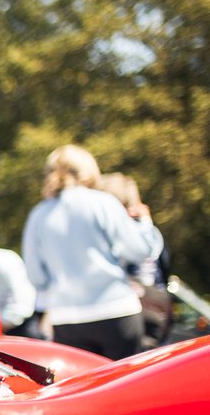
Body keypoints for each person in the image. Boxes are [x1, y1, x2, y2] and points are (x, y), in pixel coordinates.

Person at [22, 145, 163, 359]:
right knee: (126, 388)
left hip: (66, 319)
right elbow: (141, 250)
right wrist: (144, 222)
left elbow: (36, 277)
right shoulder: (103, 203)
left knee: (87, 389)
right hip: (116, 311)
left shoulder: (39, 215)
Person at [99, 172, 173, 347]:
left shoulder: (112, 232)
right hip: (155, 308)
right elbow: (163, 268)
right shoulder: (148, 231)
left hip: (125, 309)